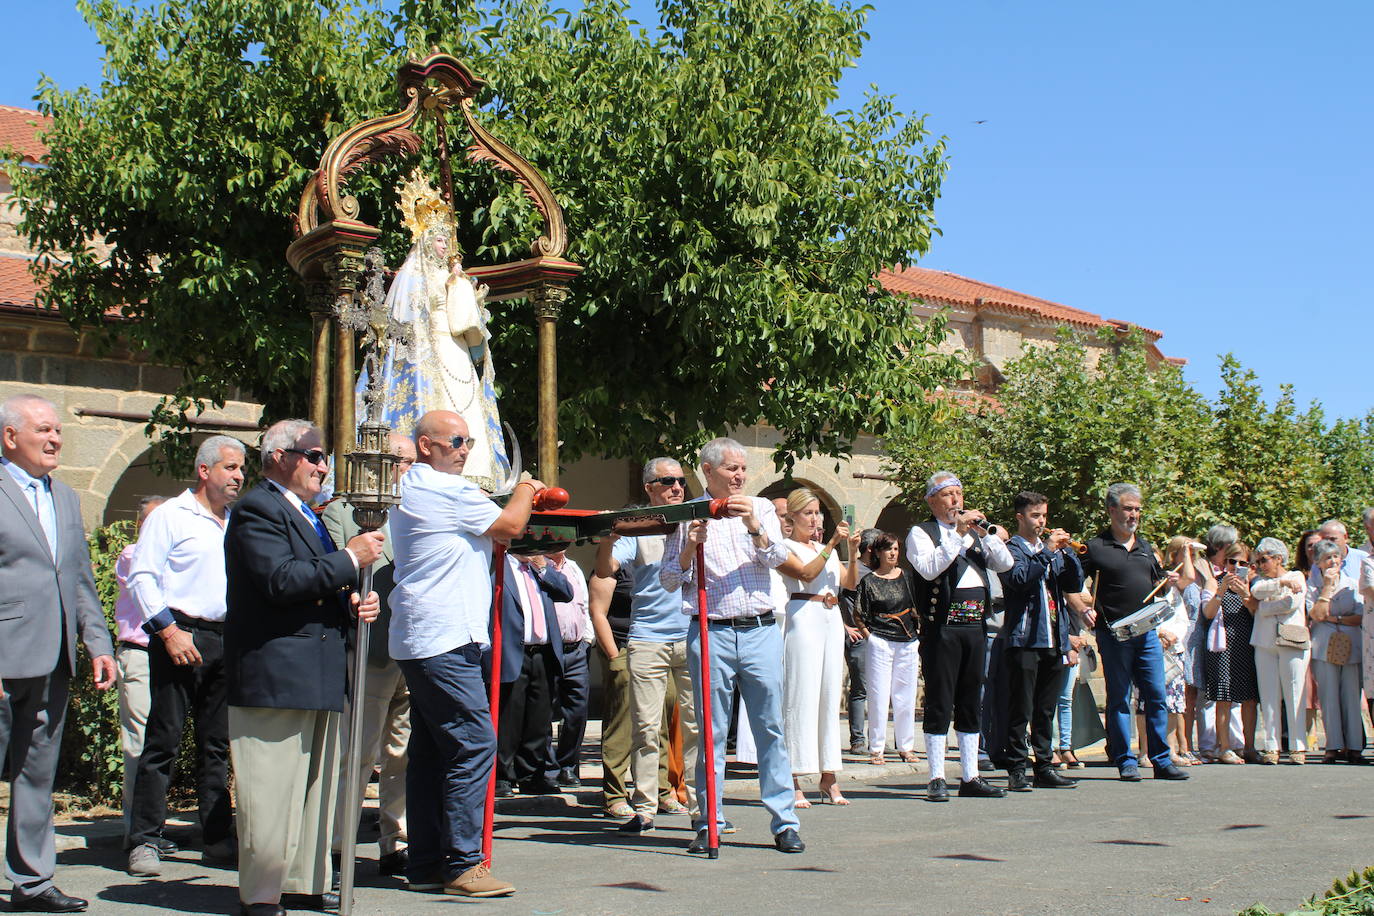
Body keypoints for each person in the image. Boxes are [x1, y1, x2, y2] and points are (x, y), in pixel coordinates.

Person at [223, 418, 384, 916]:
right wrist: (349, 558)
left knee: (315, 790)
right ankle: (262, 893)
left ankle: (302, 882)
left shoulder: (307, 514)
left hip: (317, 668)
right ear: (279, 457)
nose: (323, 465)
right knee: (271, 790)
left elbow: (314, 588)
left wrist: (352, 602)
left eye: (324, 456)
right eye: (313, 455)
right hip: (275, 672)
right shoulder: (258, 508)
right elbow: (278, 580)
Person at [388, 409, 545, 897]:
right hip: (445, 635)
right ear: (426, 444)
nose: (465, 448)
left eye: (469, 440)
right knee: (475, 744)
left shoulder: (411, 487)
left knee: (432, 750)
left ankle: (427, 863)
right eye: (456, 440)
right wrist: (527, 488)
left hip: (425, 635)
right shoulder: (447, 489)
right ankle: (463, 863)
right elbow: (511, 526)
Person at [660, 437, 804, 854]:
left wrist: (755, 529)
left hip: (758, 629)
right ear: (708, 471)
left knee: (770, 728)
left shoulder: (759, 508)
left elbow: (779, 558)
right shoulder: (688, 515)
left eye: (743, 469)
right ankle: (709, 821)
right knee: (711, 731)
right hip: (710, 630)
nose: (740, 476)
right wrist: (690, 545)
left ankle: (784, 822)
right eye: (731, 469)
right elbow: (670, 579)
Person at [0, 394, 116, 914]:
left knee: (36, 775)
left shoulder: (66, 497)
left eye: (58, 432)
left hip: (53, 661)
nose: (55, 439)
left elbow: (79, 579)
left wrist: (98, 643)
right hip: (4, 658)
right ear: (10, 437)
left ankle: (33, 881)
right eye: (44, 430)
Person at [125, 435, 246, 877]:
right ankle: (144, 840)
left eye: (241, 469)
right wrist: (168, 631)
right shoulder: (172, 516)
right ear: (205, 470)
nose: (238, 477)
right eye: (230, 468)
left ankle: (216, 837)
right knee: (164, 739)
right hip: (180, 633)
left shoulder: (236, 520)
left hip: (225, 637)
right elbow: (143, 576)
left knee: (216, 744)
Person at [359, 170, 510, 492]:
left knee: (468, 414)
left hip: (456, 355)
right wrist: (459, 290)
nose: (444, 246)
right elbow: (412, 322)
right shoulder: (412, 276)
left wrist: (464, 290)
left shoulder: (455, 278)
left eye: (447, 240)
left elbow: (469, 326)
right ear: (425, 240)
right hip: (429, 353)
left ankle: (476, 477)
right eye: (439, 240)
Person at [324, 432, 416, 878]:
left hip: (414, 646)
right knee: (359, 750)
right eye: (400, 461)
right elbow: (335, 568)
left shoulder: (418, 510)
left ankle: (395, 841)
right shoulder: (345, 511)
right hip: (371, 644)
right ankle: (339, 843)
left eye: (411, 462)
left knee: (403, 752)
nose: (406, 470)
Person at [596, 458, 700, 835]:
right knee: (645, 727)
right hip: (647, 639)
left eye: (680, 481)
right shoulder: (638, 530)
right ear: (650, 488)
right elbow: (606, 570)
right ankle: (644, 810)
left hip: (689, 635)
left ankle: (702, 810)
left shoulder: (696, 524)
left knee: (695, 727)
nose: (676, 487)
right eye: (667, 481)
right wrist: (607, 540)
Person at [905, 471, 1014, 801]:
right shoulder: (921, 533)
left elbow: (1005, 564)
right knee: (940, 699)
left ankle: (971, 776)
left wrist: (989, 534)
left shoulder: (975, 536)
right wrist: (958, 535)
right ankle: (936, 776)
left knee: (970, 700)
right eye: (948, 494)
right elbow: (929, 568)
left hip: (975, 626)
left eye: (959, 493)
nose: (956, 500)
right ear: (932, 501)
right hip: (943, 627)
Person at [1073, 482, 1192, 782]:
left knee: (1155, 695)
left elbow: (1156, 585)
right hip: (1114, 635)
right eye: (1128, 508)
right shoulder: (1094, 547)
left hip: (1148, 634)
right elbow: (1070, 584)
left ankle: (1161, 760)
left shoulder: (1146, 547)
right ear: (1112, 510)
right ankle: (1125, 759)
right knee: (1119, 698)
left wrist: (1169, 579)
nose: (1134, 514)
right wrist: (1083, 608)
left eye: (1137, 509)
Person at [779, 488, 859, 807]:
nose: (815, 519)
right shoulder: (786, 546)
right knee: (801, 697)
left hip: (830, 617)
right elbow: (807, 572)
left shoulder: (823, 548)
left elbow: (849, 583)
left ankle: (829, 777)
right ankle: (794, 777)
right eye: (809, 513)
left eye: (818, 513)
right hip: (803, 617)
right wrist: (831, 545)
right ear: (793, 517)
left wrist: (851, 551)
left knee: (828, 697)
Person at [999, 491, 1084, 791]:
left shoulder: (1050, 551)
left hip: (1053, 637)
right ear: (1020, 517)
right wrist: (1047, 551)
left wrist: (1069, 554)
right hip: (1025, 638)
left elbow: (1073, 584)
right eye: (1035, 516)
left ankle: (1045, 766)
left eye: (1044, 516)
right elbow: (1019, 580)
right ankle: (1017, 769)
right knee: (1021, 708)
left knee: (1045, 709)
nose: (1041, 522)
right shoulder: (1011, 549)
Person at [588, 546, 677, 819]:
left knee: (660, 720)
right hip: (625, 646)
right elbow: (598, 611)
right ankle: (615, 794)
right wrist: (615, 656)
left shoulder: (664, 561)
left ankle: (659, 791)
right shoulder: (616, 567)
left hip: (658, 646)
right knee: (623, 724)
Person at [112, 495, 168, 848]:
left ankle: (153, 828)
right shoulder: (133, 555)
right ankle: (137, 832)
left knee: (163, 745)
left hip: (172, 653)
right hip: (141, 653)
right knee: (140, 744)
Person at [850, 532, 921, 765]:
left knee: (905, 695)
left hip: (907, 640)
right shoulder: (869, 581)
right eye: (889, 549)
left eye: (896, 549)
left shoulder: (907, 577)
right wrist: (871, 637)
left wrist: (917, 634)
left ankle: (906, 746)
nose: (893, 553)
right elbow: (859, 613)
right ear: (877, 552)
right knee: (879, 694)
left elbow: (915, 607)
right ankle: (877, 748)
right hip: (880, 639)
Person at [1249, 537, 1310, 765]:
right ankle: (1271, 746)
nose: (1261, 565)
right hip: (1265, 643)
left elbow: (1290, 604)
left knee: (1295, 693)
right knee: (1269, 696)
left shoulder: (1296, 576)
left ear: (1278, 558)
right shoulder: (1261, 581)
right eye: (1258, 561)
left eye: (1264, 560)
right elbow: (1256, 593)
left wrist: (1265, 607)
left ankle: (1297, 746)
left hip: (1291, 640)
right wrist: (1279, 588)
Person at [1307, 539, 1366, 764]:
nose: (1332, 561)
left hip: (1351, 644)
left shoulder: (1352, 583)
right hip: (1323, 645)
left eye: (1335, 557)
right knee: (1328, 696)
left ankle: (1354, 747)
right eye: (1327, 558)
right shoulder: (1312, 585)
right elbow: (1316, 614)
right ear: (1318, 563)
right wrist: (1327, 588)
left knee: (1351, 695)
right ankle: (1333, 746)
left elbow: (1359, 617)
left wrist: (1335, 618)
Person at [1200, 542, 1260, 764]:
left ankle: (1249, 746)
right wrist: (1222, 589)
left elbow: (1256, 611)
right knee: (1223, 696)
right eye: (1231, 561)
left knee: (1250, 697)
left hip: (1247, 643)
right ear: (1224, 563)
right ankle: (1224, 746)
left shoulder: (1251, 584)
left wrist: (1245, 593)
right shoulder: (1213, 582)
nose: (1235, 566)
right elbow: (1207, 613)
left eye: (1241, 562)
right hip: (1222, 646)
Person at [545, 550, 593, 788]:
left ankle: (568, 765)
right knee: (543, 712)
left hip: (576, 648)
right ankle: (548, 767)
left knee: (577, 709)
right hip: (548, 649)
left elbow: (583, 605)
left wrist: (588, 639)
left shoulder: (573, 567)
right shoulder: (538, 567)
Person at [1159, 537, 1200, 765]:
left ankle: (1175, 748)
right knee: (1163, 701)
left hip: (1178, 644)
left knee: (1176, 702)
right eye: (1186, 553)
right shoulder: (1165, 576)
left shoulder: (1181, 579)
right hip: (1162, 643)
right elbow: (1187, 578)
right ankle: (1167, 749)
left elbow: (1190, 577)